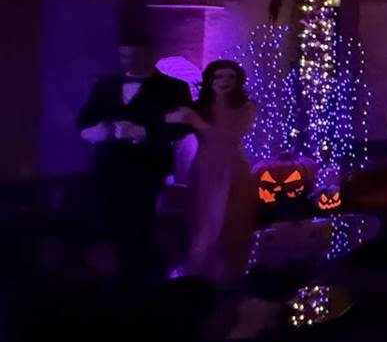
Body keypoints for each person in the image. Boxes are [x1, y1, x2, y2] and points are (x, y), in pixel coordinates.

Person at [76, 40, 193, 286]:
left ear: (149, 54)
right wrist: (103, 130)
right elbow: (84, 120)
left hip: (147, 166)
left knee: (141, 221)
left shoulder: (174, 87)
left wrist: (144, 132)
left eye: (134, 55)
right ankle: (110, 278)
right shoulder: (106, 85)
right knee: (108, 219)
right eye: (124, 56)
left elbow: (182, 127)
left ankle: (142, 279)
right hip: (109, 165)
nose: (128, 61)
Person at [168, 60, 259, 285]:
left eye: (231, 77)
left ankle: (230, 279)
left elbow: (229, 137)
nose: (225, 81)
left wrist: (197, 122)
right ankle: (197, 279)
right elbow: (167, 120)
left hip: (233, 169)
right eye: (219, 76)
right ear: (210, 79)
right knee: (202, 222)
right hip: (204, 168)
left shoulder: (247, 107)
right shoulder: (199, 107)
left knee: (232, 222)